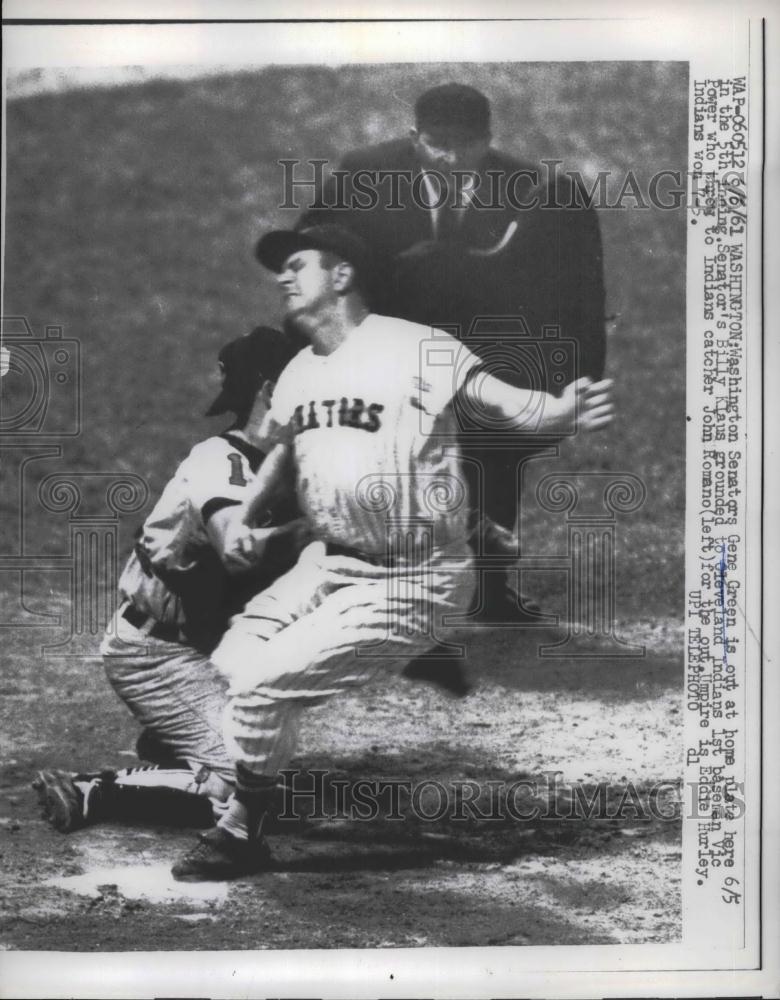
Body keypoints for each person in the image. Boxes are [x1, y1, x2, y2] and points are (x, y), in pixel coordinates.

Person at [171, 223, 613, 880]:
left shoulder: (417, 347)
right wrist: (242, 512)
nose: (282, 278)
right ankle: (260, 780)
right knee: (227, 675)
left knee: (262, 691)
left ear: (342, 275)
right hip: (327, 566)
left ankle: (244, 831)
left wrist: (558, 412)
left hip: (415, 579)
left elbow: (506, 405)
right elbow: (290, 448)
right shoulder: (299, 370)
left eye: (297, 266)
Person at [304, 82, 607, 618]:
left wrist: (576, 379)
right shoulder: (363, 175)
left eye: (466, 144)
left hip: (487, 349)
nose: (450, 157)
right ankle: (375, 588)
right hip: (389, 346)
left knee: (493, 457)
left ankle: (488, 593)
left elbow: (578, 289)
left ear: (488, 140)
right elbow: (311, 254)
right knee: (380, 465)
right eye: (437, 143)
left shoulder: (532, 190)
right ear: (413, 136)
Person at [32, 326, 308, 833]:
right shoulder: (218, 463)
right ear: (272, 390)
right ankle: (95, 790)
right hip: (157, 654)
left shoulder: (296, 464)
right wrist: (315, 530)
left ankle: (172, 747)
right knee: (245, 790)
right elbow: (235, 548)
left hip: (213, 648)